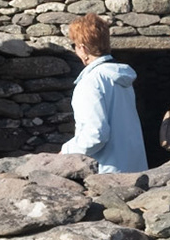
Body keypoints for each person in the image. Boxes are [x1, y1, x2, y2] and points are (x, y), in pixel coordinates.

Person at [59, 13, 148, 174]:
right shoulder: (121, 78)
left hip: (107, 174)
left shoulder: (90, 82)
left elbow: (95, 134)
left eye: (75, 46)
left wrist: (65, 152)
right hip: (134, 168)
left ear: (83, 48)